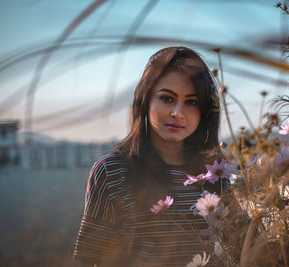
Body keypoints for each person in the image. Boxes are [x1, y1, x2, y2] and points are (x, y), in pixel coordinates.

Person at [73, 46, 221, 266]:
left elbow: (250, 245)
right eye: (167, 98)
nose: (178, 113)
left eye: (191, 102)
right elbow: (88, 258)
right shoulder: (112, 170)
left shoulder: (216, 171)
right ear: (145, 100)